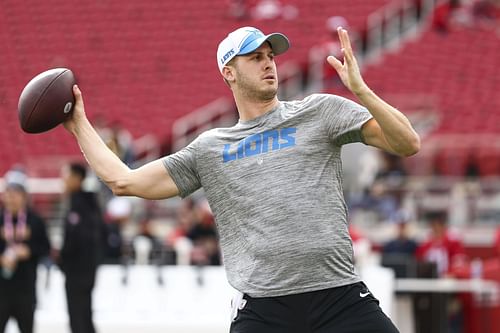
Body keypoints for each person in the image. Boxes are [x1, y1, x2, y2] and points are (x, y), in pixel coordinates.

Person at [63, 26, 420, 333]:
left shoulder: (320, 111)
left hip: (339, 296)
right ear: (229, 72)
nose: (268, 62)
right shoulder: (210, 148)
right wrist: (78, 123)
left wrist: (361, 91)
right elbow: (123, 181)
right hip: (265, 310)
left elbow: (407, 143)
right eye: (254, 57)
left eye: (270, 55)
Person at [0, 168, 50, 333]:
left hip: (25, 289)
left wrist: (28, 251)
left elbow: (46, 247)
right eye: (8, 193)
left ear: (24, 196)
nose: (11, 198)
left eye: (15, 193)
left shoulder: (35, 220)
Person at [58, 163, 104, 333]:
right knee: (83, 313)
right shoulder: (88, 203)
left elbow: (80, 238)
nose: (64, 180)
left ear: (78, 179)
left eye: (68, 176)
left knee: (78, 315)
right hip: (84, 269)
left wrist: (64, 258)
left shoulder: (81, 205)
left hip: (79, 270)